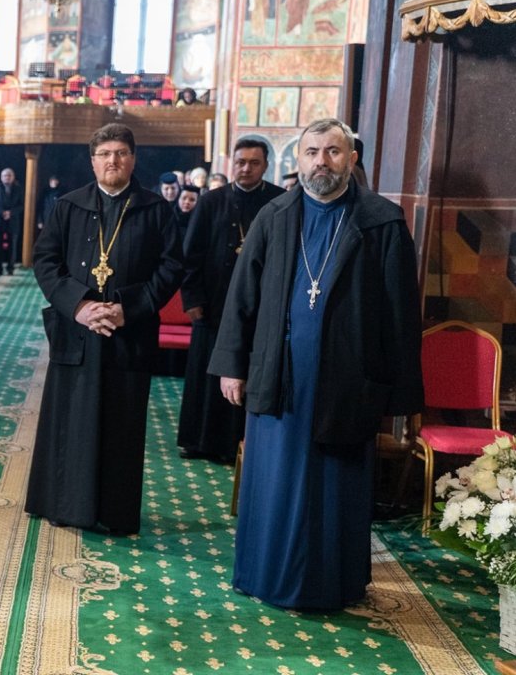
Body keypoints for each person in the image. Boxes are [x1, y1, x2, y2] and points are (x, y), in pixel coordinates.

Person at [210, 118, 422, 610]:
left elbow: (400, 314)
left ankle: (334, 583)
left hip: (348, 382)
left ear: (351, 159)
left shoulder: (382, 221)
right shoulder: (275, 215)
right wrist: (231, 365)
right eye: (311, 153)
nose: (320, 162)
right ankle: (264, 574)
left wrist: (402, 395)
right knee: (277, 482)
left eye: (332, 152)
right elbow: (241, 296)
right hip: (277, 376)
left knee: (334, 486)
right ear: (297, 160)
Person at [25, 123, 183, 534]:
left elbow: (171, 267)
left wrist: (127, 309)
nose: (113, 160)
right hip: (76, 332)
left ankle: (114, 512)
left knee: (121, 426)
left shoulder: (155, 209)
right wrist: (78, 307)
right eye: (105, 154)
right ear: (93, 161)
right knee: (71, 422)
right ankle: (65, 505)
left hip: (127, 333)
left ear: (133, 159)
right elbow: (45, 261)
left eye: (121, 153)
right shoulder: (68, 205)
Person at [176, 135, 284, 463]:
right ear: (231, 164)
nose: (246, 168)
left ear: (266, 166)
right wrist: (192, 299)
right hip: (212, 303)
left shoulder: (279, 203)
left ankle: (239, 442)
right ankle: (200, 441)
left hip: (259, 307)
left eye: (254, 163)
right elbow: (190, 254)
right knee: (206, 375)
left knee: (245, 373)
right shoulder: (211, 201)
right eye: (240, 162)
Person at [0, 168, 23, 276]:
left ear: (13, 177)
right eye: (5, 175)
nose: (7, 177)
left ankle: (10, 268)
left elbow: (22, 205)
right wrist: (2, 213)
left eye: (9, 175)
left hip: (13, 221)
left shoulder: (18, 189)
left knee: (12, 246)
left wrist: (11, 213)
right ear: (1, 177)